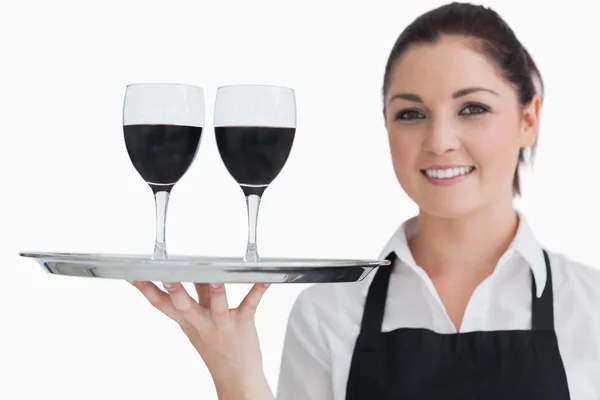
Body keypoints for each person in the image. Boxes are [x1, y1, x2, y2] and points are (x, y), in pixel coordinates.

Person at [130, 2, 600, 399]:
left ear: (529, 118)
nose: (440, 141)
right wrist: (235, 372)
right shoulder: (328, 313)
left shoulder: (592, 307)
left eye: (472, 108)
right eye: (411, 113)